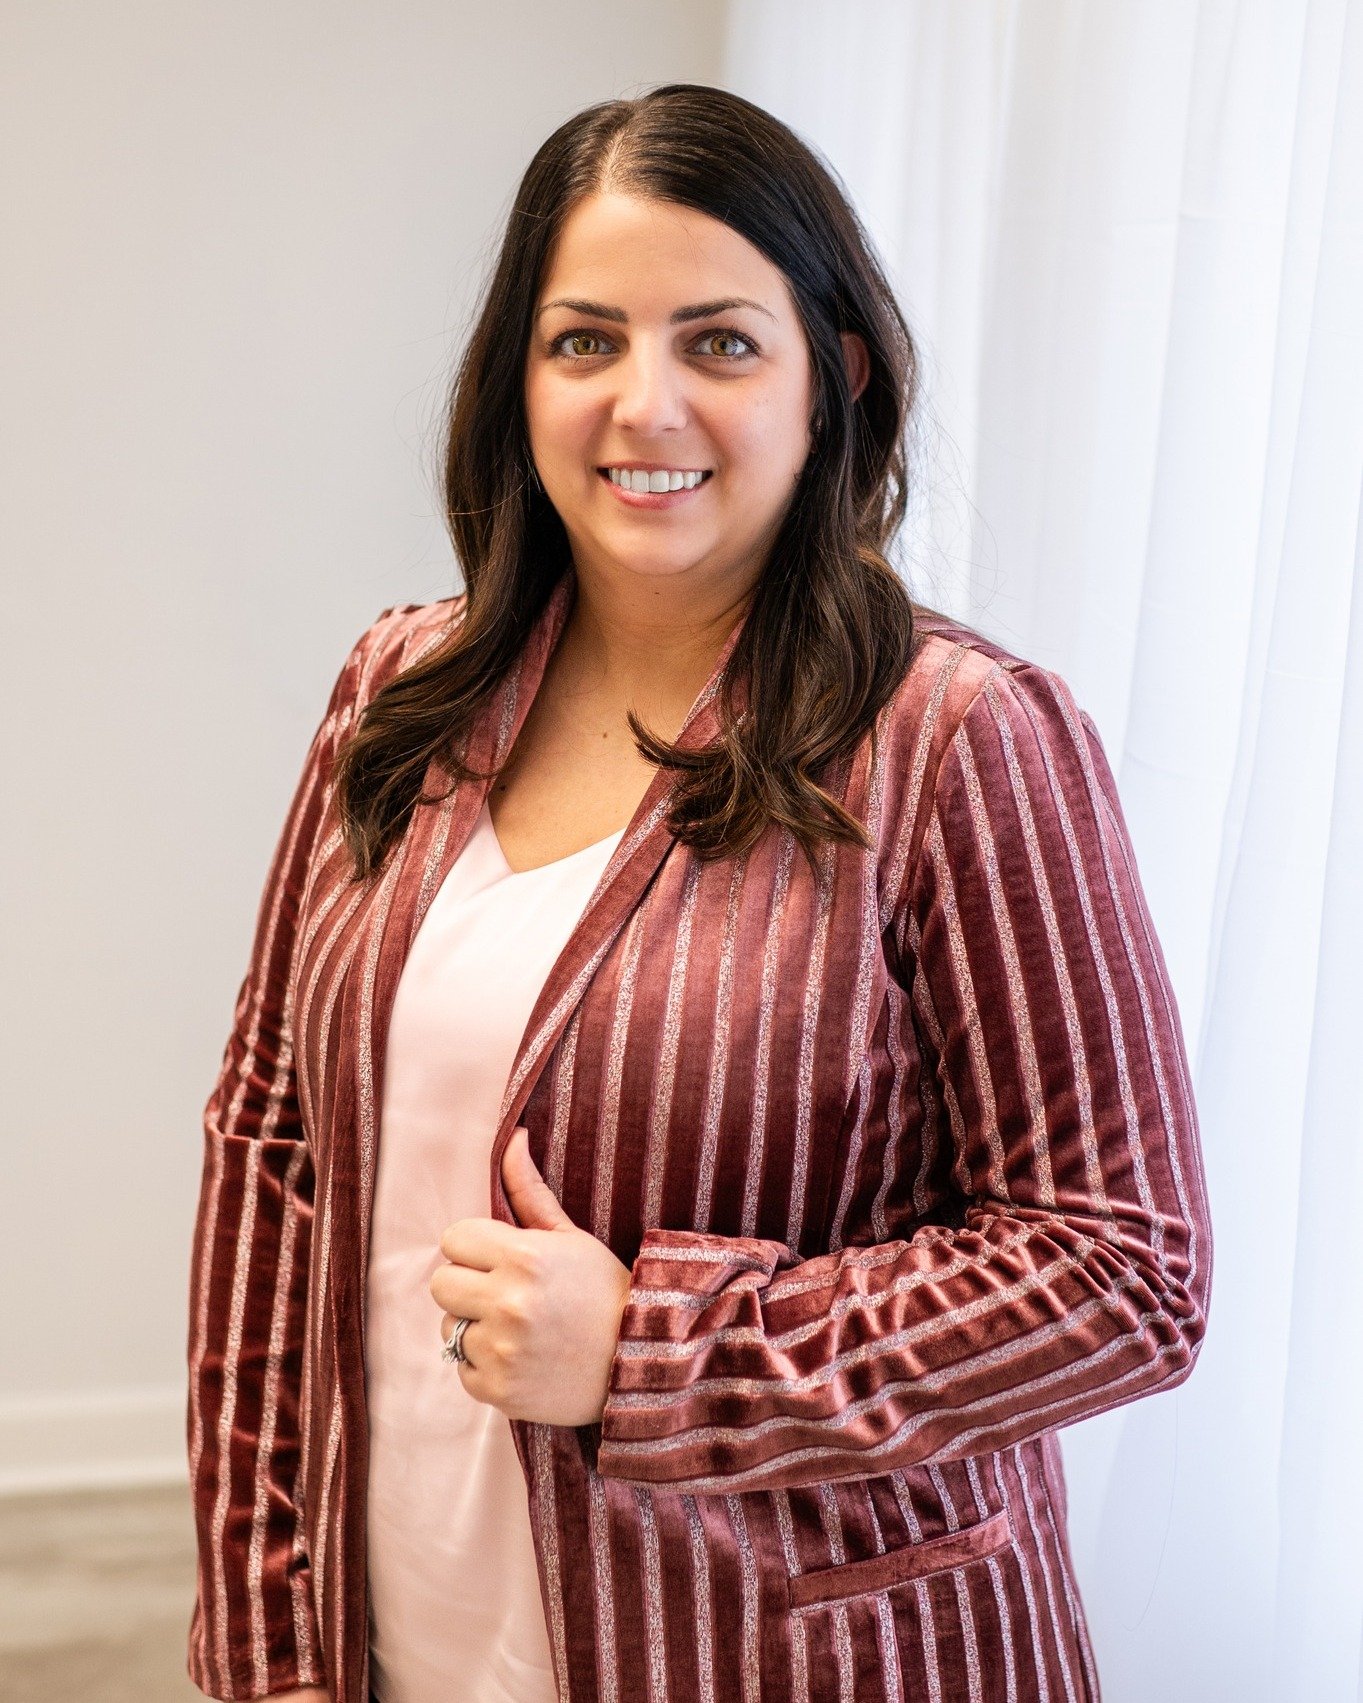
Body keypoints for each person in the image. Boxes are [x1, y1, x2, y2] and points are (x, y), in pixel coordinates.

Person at [185, 82, 1213, 1703]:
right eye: (582, 340)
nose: (639, 405)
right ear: (516, 378)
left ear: (834, 377)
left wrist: (660, 1355)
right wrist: (263, 1641)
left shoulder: (961, 740)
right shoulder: (399, 688)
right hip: (403, 1641)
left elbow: (1122, 1275)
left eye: (718, 343)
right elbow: (273, 1152)